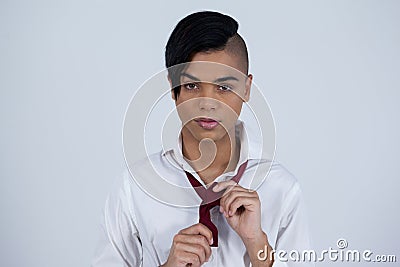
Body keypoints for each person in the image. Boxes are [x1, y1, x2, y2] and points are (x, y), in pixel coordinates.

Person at [92, 11, 313, 267]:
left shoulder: (282, 189)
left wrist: (257, 244)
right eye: (192, 86)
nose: (208, 103)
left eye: (224, 87)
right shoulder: (134, 187)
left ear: (246, 88)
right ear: (173, 89)